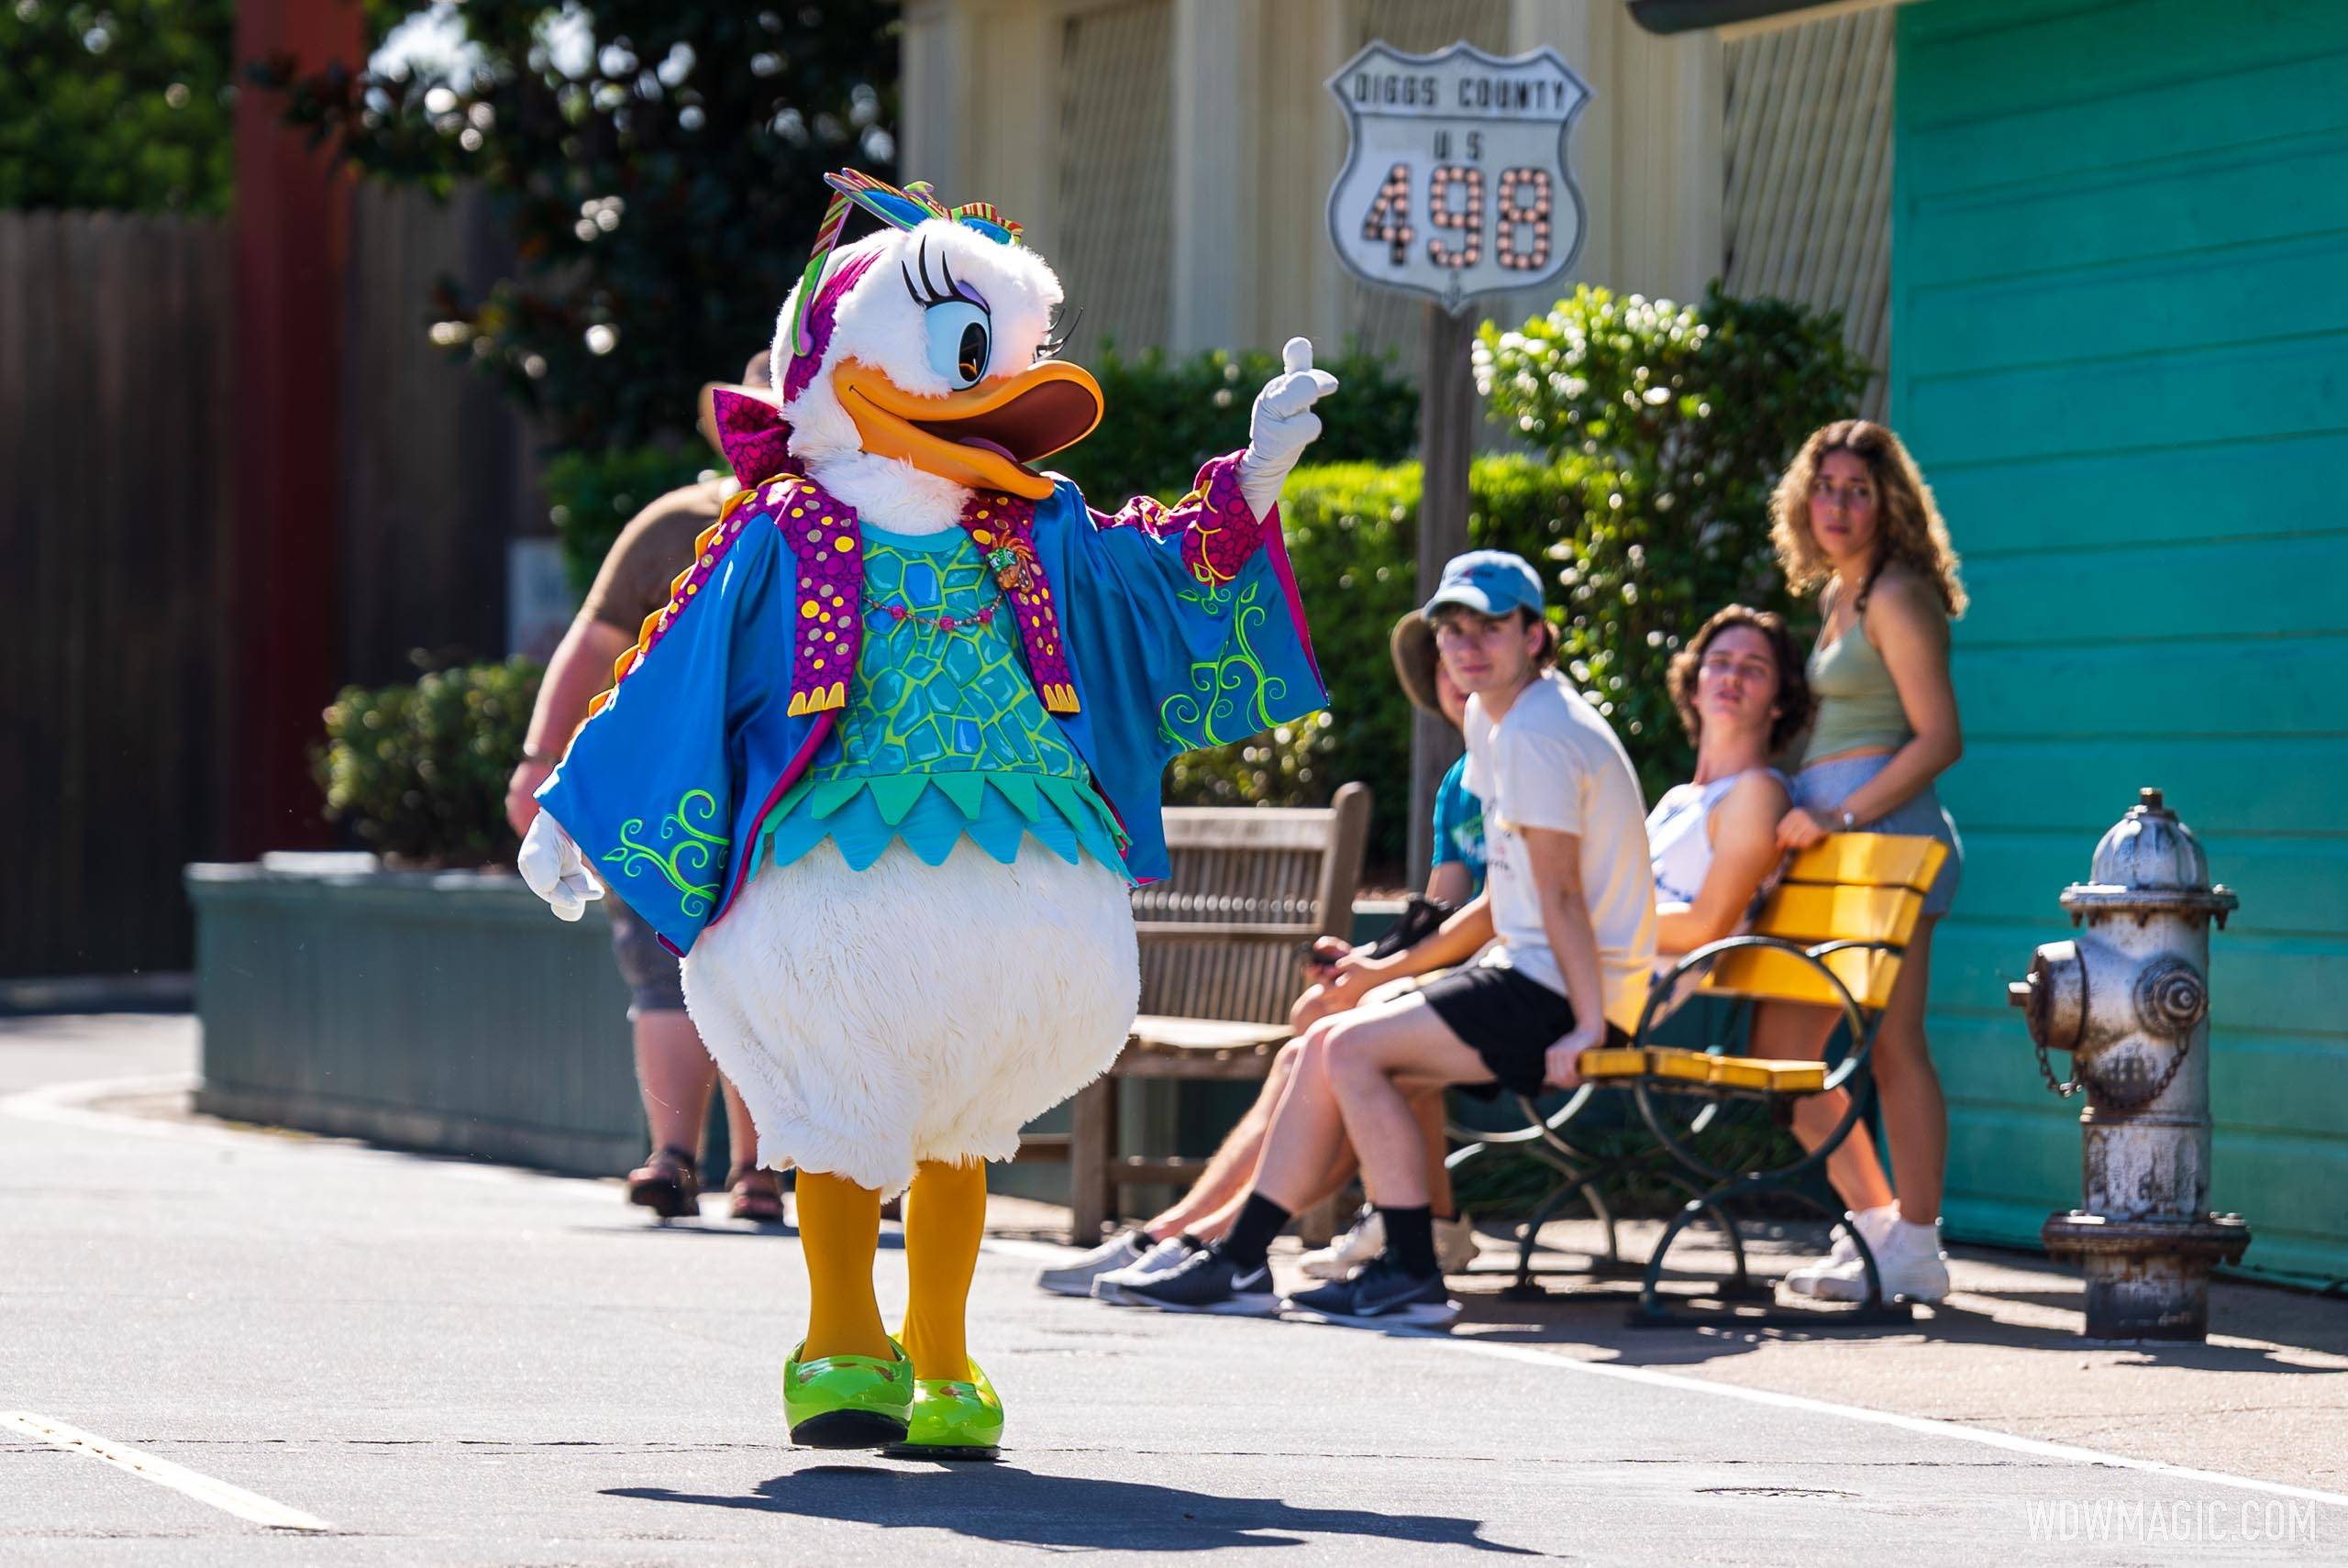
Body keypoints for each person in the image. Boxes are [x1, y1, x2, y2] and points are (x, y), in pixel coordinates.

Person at [1112, 550, 1656, 1325]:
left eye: (1490, 626)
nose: (1467, 645)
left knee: (1348, 1049)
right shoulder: (1496, 720)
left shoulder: (1537, 733)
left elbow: (1562, 897)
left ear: (1536, 636)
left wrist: (1590, 1022)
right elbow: (1510, 896)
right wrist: (1382, 971)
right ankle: (1264, 1261)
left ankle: (1342, 1268)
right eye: (1452, 629)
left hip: (1563, 991)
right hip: (1533, 974)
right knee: (1339, 1041)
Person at [1035, 612, 1485, 1301]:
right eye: (1445, 664)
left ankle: (1215, 1238)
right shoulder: (1461, 779)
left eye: (1471, 656)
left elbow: (1509, 915)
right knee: (1321, 1024)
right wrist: (1364, 960)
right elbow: (1441, 912)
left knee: (1334, 1042)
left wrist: (1379, 975)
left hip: (1508, 987)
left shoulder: (1530, 755)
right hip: (1462, 980)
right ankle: (1184, 1230)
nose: (1457, 675)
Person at [504, 357, 782, 1225]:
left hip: (778, 790)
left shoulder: (841, 526)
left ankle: (756, 1170)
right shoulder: (677, 525)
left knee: (759, 975)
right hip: (668, 787)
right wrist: (540, 757)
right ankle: (674, 1157)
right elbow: (595, 643)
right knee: (662, 970)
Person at [1751, 419, 1967, 1305]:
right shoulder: (1840, 594)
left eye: (1858, 491)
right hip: (1837, 856)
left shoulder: (1894, 594)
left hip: (1889, 848)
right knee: (1787, 1057)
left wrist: (1836, 813)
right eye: (1826, 488)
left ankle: (1918, 1241)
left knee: (1892, 1048)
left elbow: (1939, 738)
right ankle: (1880, 1230)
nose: (1838, 506)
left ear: (1889, 505)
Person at [1646, 605, 1809, 976]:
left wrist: (1581, 926)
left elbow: (1705, 927)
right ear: (1694, 688)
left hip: (1615, 999)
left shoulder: (1758, 793)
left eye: (1754, 669)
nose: (1732, 677)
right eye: (1719, 662)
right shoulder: (1678, 799)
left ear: (1780, 701)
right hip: (1575, 974)